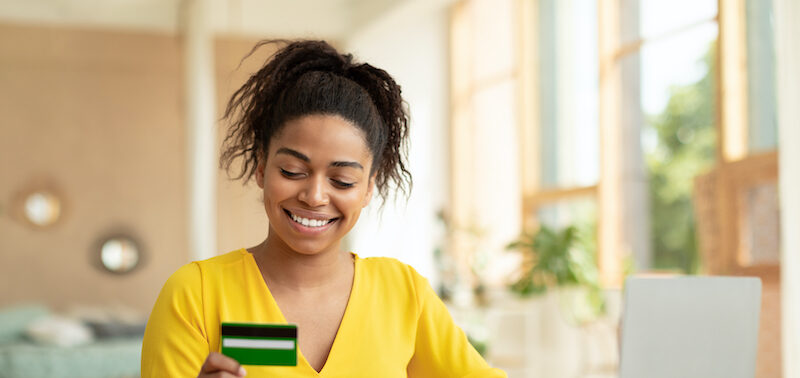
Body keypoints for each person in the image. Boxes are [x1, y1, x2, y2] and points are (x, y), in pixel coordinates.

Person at [141, 40, 506, 377]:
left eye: (342, 180)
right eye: (292, 171)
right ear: (260, 167)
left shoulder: (403, 293)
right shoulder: (197, 293)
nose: (314, 196)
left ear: (368, 187)